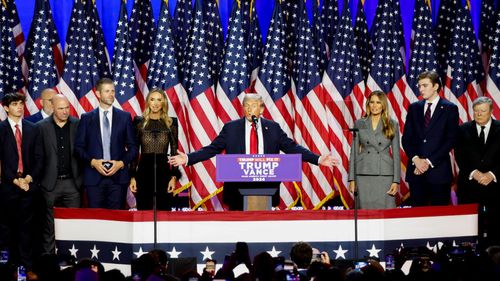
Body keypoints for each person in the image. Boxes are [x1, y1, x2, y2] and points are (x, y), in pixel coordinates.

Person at [168, 93, 339, 210]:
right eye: (246, 106)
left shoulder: (272, 128)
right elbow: (212, 149)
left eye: (254, 105)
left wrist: (317, 159)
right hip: (237, 188)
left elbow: (291, 147)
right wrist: (189, 158)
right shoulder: (231, 128)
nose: (250, 109)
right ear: (243, 108)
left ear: (262, 109)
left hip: (265, 187)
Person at [74, 78, 138, 209]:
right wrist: (93, 162)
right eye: (107, 91)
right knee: (96, 222)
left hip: (118, 179)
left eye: (113, 91)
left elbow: (133, 148)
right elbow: (78, 148)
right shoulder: (86, 118)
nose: (111, 94)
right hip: (94, 179)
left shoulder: (125, 117)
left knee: (116, 221)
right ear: (98, 94)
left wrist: (120, 163)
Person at [402, 71, 459, 206]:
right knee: (417, 217)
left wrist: (427, 162)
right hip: (416, 173)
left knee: (439, 218)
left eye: (425, 85)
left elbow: (451, 140)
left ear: (435, 86)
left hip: (438, 173)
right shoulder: (414, 108)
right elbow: (406, 139)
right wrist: (416, 159)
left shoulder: (450, 108)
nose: (421, 89)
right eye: (419, 86)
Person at [0, 93, 43, 270]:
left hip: (29, 186)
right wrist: (14, 180)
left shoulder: (33, 128)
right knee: (7, 228)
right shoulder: (1, 129)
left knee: (28, 229)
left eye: (21, 103)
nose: (19, 107)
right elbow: (1, 161)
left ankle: (26, 265)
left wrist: (28, 178)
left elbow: (40, 158)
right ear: (6, 107)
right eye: (15, 104)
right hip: (8, 188)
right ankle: (9, 266)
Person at [37, 94, 82, 255]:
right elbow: (38, 156)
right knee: (49, 226)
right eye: (61, 108)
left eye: (67, 108)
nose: (65, 111)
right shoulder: (41, 127)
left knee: (73, 224)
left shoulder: (78, 124)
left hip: (73, 183)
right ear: (52, 108)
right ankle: (49, 261)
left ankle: (72, 260)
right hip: (50, 184)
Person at [455, 97, 500, 248]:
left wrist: (492, 174)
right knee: (470, 226)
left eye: (483, 111)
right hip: (469, 185)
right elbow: (459, 155)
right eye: (476, 111)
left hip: (495, 185)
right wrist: (474, 172)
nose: (479, 114)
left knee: (495, 224)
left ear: (491, 112)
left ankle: (495, 255)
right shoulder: (463, 129)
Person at [129, 88, 181, 210]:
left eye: (159, 100)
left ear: (164, 103)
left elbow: (174, 150)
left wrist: (173, 177)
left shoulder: (171, 122)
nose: (156, 103)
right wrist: (132, 177)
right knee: (143, 212)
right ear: (148, 102)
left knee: (164, 212)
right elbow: (135, 150)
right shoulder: (139, 122)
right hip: (143, 171)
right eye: (152, 99)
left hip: (164, 171)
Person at [348, 91, 400, 209]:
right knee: (364, 214)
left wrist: (396, 181)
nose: (374, 106)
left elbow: (396, 154)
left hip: (385, 174)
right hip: (363, 172)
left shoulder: (392, 124)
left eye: (378, 102)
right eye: (372, 102)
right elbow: (354, 153)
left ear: (383, 105)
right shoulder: (359, 123)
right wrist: (352, 179)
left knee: (386, 212)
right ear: (368, 104)